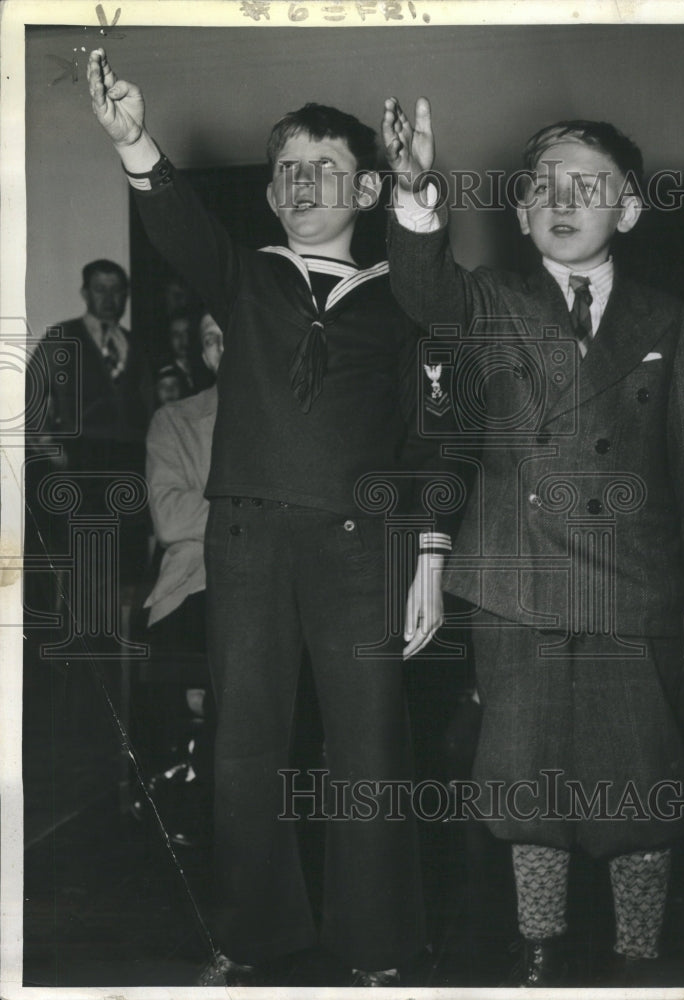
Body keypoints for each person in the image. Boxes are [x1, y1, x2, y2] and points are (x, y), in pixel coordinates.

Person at [88, 49, 458, 987]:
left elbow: (432, 428)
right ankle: (253, 936)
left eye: (325, 168)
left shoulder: (404, 301)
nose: (301, 184)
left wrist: (426, 559)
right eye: (285, 169)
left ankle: (378, 948)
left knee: (370, 743)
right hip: (247, 542)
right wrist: (136, 141)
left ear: (367, 187)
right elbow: (178, 229)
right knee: (244, 743)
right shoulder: (247, 279)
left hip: (356, 548)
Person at [382, 98, 684, 986]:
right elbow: (422, 288)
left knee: (639, 784)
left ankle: (638, 957)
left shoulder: (669, 321)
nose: (561, 201)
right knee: (527, 782)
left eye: (588, 186)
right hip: (517, 585)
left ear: (630, 208)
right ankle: (538, 951)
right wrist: (419, 191)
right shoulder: (492, 301)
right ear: (519, 208)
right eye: (542, 187)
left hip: (636, 589)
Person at [134, 315, 224, 845]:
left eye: (235, 331)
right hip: (196, 588)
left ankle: (201, 781)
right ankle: (204, 790)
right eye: (211, 336)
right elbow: (169, 519)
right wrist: (258, 513)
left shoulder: (300, 416)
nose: (224, 345)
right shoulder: (176, 420)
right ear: (203, 354)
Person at [25, 258, 153, 601]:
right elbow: (31, 397)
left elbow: (151, 406)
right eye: (101, 289)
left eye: (117, 290)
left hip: (129, 462)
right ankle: (81, 646)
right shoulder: (61, 337)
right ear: (85, 293)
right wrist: (52, 449)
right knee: (85, 563)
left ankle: (121, 644)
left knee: (125, 563)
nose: (110, 298)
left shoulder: (136, 344)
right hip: (81, 463)